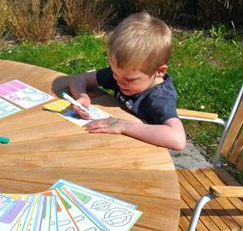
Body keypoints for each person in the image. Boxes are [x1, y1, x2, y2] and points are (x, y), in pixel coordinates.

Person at [68, 12, 186, 151]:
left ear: (159, 71)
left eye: (129, 79)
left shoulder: (160, 98)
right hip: (116, 145)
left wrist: (123, 125)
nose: (119, 82)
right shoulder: (123, 74)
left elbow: (178, 140)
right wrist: (82, 96)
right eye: (115, 74)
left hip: (145, 157)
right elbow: (77, 79)